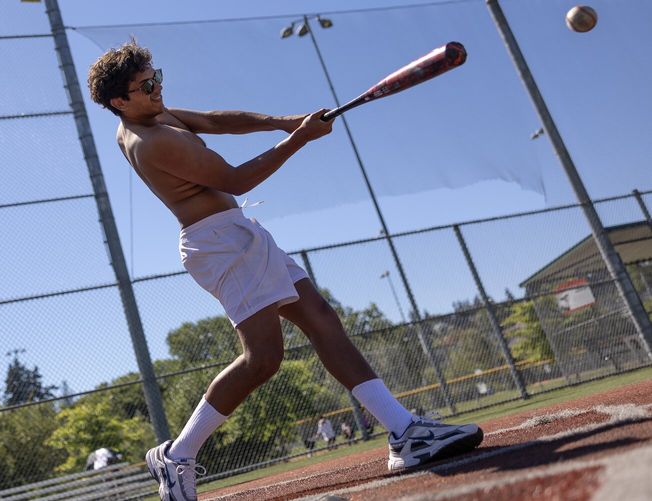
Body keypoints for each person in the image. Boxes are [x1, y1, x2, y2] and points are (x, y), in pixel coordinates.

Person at [88, 40, 483, 501]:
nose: (158, 89)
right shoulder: (154, 141)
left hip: (234, 233)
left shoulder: (151, 114)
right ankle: (178, 455)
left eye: (157, 77)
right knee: (264, 359)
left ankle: (404, 432)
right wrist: (299, 139)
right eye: (146, 86)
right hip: (220, 245)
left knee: (319, 316)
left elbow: (215, 120)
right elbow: (237, 179)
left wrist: (283, 121)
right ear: (120, 101)